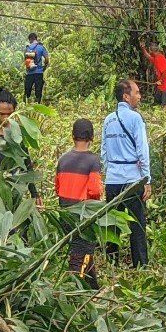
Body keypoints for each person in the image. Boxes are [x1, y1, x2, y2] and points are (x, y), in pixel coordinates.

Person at [101, 78, 152, 268]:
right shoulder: (135, 118)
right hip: (132, 179)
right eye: (136, 93)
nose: (139, 96)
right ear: (126, 96)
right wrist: (146, 179)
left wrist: (107, 174)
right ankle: (140, 264)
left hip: (113, 180)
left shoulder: (108, 119)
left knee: (113, 222)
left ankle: (111, 262)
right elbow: (142, 150)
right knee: (137, 224)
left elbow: (104, 151)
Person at [55, 118, 104, 289]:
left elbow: (57, 187)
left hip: (65, 211)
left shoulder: (63, 160)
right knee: (80, 252)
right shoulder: (93, 161)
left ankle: (93, 287)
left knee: (81, 250)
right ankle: (72, 288)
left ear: (72, 136)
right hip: (84, 212)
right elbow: (95, 190)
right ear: (92, 137)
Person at [142, 42, 166, 106]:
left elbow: (165, 72)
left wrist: (160, 81)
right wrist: (143, 48)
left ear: (150, 50)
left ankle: (165, 112)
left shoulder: (159, 58)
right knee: (158, 100)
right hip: (163, 82)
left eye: (148, 49)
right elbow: (148, 56)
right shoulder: (155, 57)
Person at [24, 33, 49, 103]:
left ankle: (26, 105)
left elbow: (25, 60)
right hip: (39, 72)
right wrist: (44, 67)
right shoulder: (41, 47)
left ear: (30, 39)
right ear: (36, 38)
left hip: (29, 73)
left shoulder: (27, 48)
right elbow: (47, 59)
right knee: (38, 90)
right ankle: (38, 105)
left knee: (27, 90)